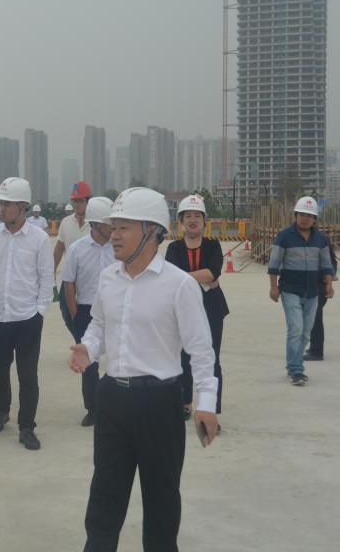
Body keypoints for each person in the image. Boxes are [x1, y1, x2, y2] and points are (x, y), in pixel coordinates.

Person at [68, 187, 218, 551]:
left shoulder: (179, 285)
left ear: (152, 231)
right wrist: (88, 347)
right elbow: (99, 324)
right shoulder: (109, 278)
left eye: (124, 227)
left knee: (161, 504)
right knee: (104, 500)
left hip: (160, 404)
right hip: (112, 400)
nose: (114, 235)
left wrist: (206, 404)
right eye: (114, 227)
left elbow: (201, 350)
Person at [0, 177, 54, 451]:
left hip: (27, 317)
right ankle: (1, 410)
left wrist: (40, 311)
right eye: (0, 203)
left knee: (27, 374)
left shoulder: (39, 238)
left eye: (7, 204)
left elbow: (47, 278)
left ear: (22, 206)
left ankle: (27, 426)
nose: (1, 208)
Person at [165, 194, 229, 421]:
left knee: (212, 358)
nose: (192, 220)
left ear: (204, 221)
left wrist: (186, 277)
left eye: (197, 216)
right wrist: (202, 277)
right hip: (182, 309)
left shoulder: (213, 245)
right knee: (184, 357)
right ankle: (185, 402)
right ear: (181, 221)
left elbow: (213, 273)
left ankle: (211, 409)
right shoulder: (173, 248)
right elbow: (171, 277)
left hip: (212, 309)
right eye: (188, 216)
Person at [268, 196, 334, 386]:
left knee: (305, 332)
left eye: (309, 216)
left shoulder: (321, 240)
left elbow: (326, 265)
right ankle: (297, 370)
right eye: (302, 215)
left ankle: (292, 366)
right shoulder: (284, 236)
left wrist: (329, 284)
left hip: (313, 292)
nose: (305, 219)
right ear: (295, 215)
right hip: (290, 290)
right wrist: (273, 287)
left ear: (314, 219)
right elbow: (274, 263)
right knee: (296, 329)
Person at [60, 196, 114, 427]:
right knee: (88, 363)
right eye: (109, 224)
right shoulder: (77, 249)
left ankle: (112, 402)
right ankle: (93, 408)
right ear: (96, 224)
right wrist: (75, 315)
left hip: (114, 310)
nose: (113, 228)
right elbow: (69, 283)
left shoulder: (119, 248)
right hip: (85, 311)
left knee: (117, 359)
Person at [54, 181, 92, 336]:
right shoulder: (66, 223)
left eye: (80, 201)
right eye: (74, 201)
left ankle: (85, 341)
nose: (77, 204)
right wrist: (50, 272)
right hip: (69, 278)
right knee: (66, 311)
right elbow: (59, 249)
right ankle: (79, 339)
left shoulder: (95, 224)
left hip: (89, 279)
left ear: (88, 201)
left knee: (88, 314)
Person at [305, 243, 338, 361]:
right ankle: (314, 346)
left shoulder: (321, 241)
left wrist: (329, 279)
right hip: (309, 285)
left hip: (318, 286)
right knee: (311, 317)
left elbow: (331, 263)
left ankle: (317, 352)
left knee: (315, 318)